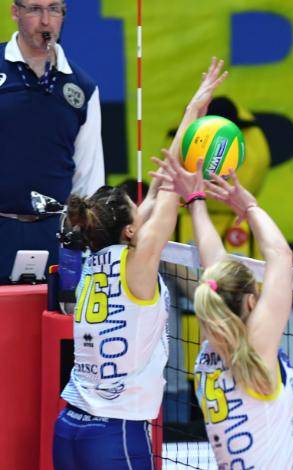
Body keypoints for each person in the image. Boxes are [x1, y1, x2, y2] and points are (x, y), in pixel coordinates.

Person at [52, 57, 228, 470]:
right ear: (131, 230)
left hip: (69, 426)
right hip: (114, 433)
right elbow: (168, 190)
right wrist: (193, 114)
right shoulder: (138, 265)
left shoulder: (92, 258)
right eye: (137, 211)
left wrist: (194, 112)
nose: (143, 208)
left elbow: (157, 193)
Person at [152, 153, 293, 468]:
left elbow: (215, 266)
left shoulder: (209, 350)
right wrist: (250, 207)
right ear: (250, 302)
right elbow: (280, 255)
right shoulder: (257, 350)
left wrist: (196, 200)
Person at [0, 0, 105, 283]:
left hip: (56, 238)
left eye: (54, 9)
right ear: (15, 12)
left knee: (53, 314)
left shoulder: (83, 88)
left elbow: (89, 180)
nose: (46, 20)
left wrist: (86, 248)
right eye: (35, 9)